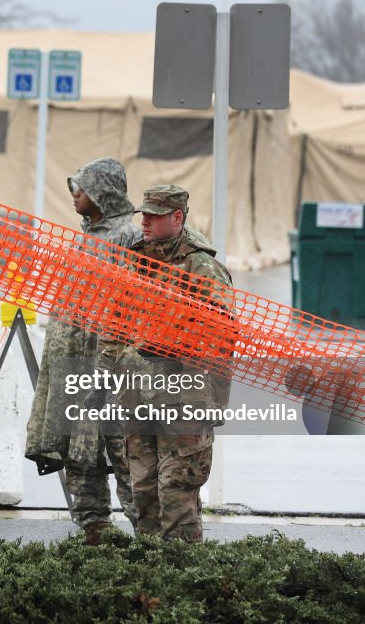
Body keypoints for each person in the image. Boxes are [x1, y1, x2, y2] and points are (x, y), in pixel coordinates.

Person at [96, 185, 232, 542]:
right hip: (138, 399)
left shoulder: (201, 266)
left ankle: (182, 584)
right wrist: (103, 381)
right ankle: (150, 582)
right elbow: (116, 324)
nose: (146, 222)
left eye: (155, 215)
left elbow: (221, 336)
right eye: (144, 214)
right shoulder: (136, 260)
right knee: (143, 492)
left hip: (183, 402)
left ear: (177, 217)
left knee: (176, 494)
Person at [24, 157, 141, 545]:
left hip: (109, 362)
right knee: (79, 448)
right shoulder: (86, 235)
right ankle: (94, 528)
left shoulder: (129, 235)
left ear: (103, 192)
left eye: (84, 187)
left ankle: (148, 534)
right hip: (73, 361)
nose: (75, 194)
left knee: (123, 447)